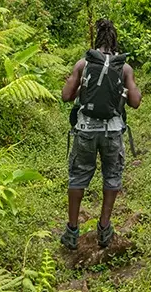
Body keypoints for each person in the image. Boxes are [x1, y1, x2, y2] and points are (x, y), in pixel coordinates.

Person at [59, 18, 141, 250]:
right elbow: (135, 103)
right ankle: (104, 229)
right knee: (112, 177)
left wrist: (78, 85)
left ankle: (72, 232)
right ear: (115, 44)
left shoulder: (83, 64)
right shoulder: (124, 68)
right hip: (113, 132)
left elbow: (66, 96)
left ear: (96, 42)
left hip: (85, 130)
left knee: (78, 177)